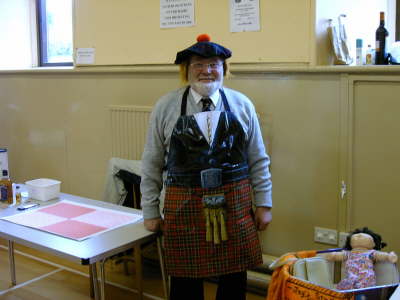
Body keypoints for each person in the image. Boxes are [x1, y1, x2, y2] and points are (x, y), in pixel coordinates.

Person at [140, 34, 272, 300]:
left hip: (235, 202)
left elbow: (258, 158)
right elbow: (152, 162)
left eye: (214, 64)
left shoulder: (242, 104)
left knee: (234, 276)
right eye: (198, 64)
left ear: (224, 69)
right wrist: (150, 210)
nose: (207, 71)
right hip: (183, 203)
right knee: (184, 281)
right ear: (186, 70)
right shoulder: (165, 106)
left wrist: (264, 203)